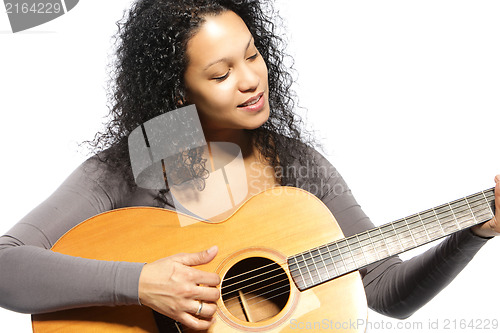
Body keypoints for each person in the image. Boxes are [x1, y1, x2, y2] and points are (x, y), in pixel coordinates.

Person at [0, 0, 498, 331]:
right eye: (221, 73)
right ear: (178, 91)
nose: (250, 80)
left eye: (253, 55)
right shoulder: (137, 162)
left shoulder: (295, 163)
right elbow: (6, 265)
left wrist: (476, 229)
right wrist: (140, 283)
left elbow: (387, 292)